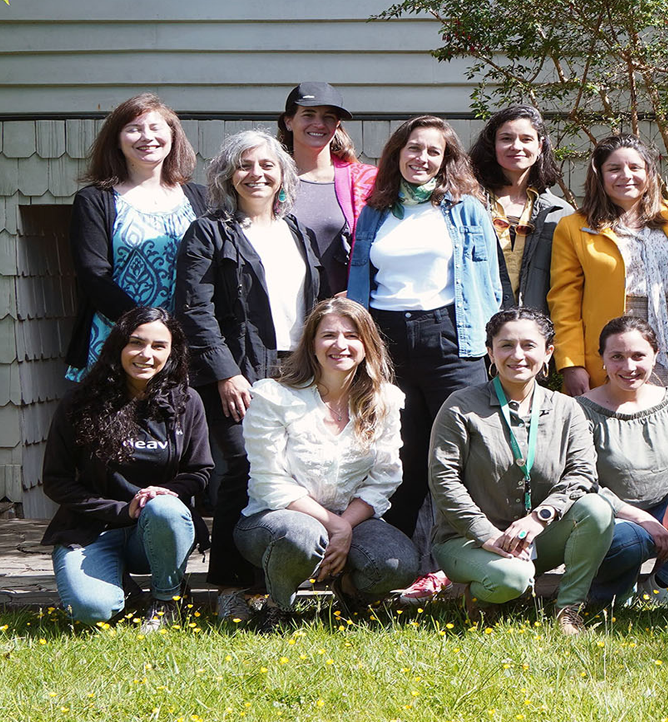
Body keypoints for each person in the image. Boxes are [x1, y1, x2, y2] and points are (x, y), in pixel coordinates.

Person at [174, 130, 323, 621]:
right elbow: (195, 310)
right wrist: (225, 373)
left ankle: (277, 581)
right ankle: (231, 586)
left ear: (283, 176)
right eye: (244, 165)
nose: (256, 174)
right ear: (226, 175)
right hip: (236, 366)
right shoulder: (208, 232)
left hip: (296, 366)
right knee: (242, 467)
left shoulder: (296, 229)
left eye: (267, 165)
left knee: (293, 467)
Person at [345, 115, 504, 574]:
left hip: (451, 336)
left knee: (467, 449)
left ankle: (469, 561)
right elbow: (360, 277)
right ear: (397, 153)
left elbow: (488, 283)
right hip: (386, 338)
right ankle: (392, 564)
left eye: (434, 151)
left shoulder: (466, 208)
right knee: (400, 453)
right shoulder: (375, 208)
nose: (423, 158)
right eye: (414, 148)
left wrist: (489, 344)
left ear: (446, 160)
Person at [234, 298, 416, 627]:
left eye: (352, 335)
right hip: (275, 521)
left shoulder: (384, 400)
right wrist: (337, 526)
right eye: (328, 335)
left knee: (398, 563)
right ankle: (279, 608)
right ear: (312, 344)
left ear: (367, 345)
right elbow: (269, 481)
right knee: (302, 536)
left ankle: (348, 590)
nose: (340, 345)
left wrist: (346, 523)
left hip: (352, 518)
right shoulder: (274, 396)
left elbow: (385, 478)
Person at [429, 309, 612, 635]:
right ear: (490, 352)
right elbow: (444, 480)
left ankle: (568, 611)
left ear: (548, 352)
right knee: (510, 580)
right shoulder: (460, 406)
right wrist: (486, 534)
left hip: (534, 536)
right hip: (467, 541)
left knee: (597, 509)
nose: (518, 355)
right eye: (506, 346)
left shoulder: (568, 409)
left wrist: (539, 518)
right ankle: (480, 595)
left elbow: (583, 473)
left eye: (529, 345)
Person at [42, 307, 211, 630]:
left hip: (157, 531)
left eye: (159, 346)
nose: (146, 354)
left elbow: (200, 471)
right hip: (91, 530)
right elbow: (56, 481)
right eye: (136, 343)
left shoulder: (187, 402)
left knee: (164, 509)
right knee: (91, 610)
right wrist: (124, 510)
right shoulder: (79, 402)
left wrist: (165, 494)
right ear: (118, 346)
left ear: (171, 353)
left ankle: (167, 599)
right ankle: (128, 593)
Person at [66, 93, 209, 381]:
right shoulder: (95, 200)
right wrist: (147, 329)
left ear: (172, 135)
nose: (147, 137)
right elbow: (93, 275)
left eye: (156, 128)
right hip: (117, 341)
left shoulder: (201, 198)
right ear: (117, 140)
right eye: (134, 129)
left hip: (184, 346)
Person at [548, 135, 668, 395]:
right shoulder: (574, 227)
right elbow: (564, 304)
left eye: (635, 167)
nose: (625, 175)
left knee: (666, 421)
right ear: (600, 176)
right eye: (614, 169)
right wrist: (571, 364)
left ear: (649, 173)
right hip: (611, 346)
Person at [578, 316, 668, 607]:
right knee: (629, 541)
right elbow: (581, 482)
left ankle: (663, 586)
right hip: (613, 518)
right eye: (617, 357)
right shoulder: (580, 411)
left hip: (666, 507)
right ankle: (608, 598)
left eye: (638, 356)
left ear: (655, 356)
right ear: (602, 360)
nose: (629, 367)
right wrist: (640, 518)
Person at [470, 105, 573, 313]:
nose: (516, 146)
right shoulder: (469, 205)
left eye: (526, 139)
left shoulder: (561, 213)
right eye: (506, 139)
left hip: (537, 334)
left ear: (540, 146)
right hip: (478, 328)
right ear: (493, 145)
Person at [278, 82, 377, 296]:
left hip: (342, 317)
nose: (318, 124)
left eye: (328, 117)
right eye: (308, 114)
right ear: (288, 121)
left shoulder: (364, 181)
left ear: (337, 125)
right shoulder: (269, 179)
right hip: (280, 310)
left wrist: (355, 293)